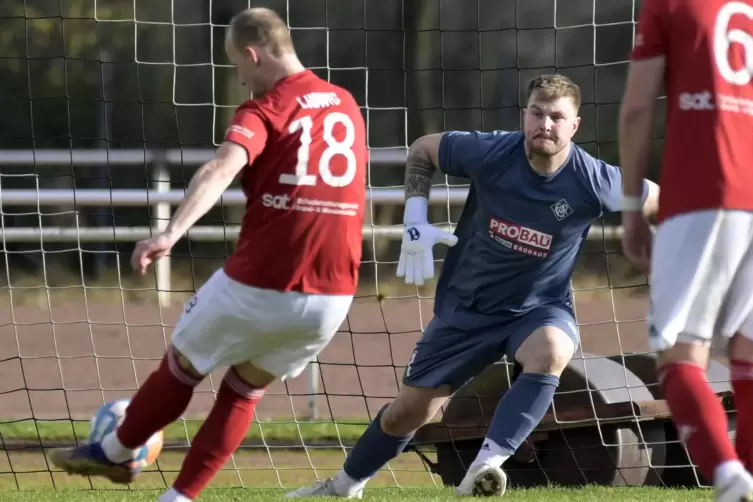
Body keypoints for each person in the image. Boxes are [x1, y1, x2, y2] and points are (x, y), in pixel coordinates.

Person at [286, 74, 660, 499]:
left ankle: (487, 466)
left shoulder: (595, 179)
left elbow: (661, 201)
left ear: (574, 126)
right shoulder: (492, 151)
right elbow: (423, 148)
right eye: (537, 113)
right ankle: (342, 487)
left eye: (557, 117)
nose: (546, 124)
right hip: (467, 307)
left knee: (553, 351)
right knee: (406, 414)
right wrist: (414, 216)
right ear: (525, 115)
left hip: (537, 309)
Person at [48, 7, 368, 502]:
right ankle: (179, 498)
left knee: (182, 365)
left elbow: (221, 169)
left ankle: (112, 452)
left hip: (264, 282)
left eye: (236, 66)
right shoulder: (346, 104)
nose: (239, 79)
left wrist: (169, 233)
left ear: (252, 53)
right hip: (333, 297)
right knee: (244, 390)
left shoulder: (267, 108)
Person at [618, 0, 753, 500]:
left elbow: (636, 110)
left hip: (701, 194)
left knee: (679, 358)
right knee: (747, 359)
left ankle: (726, 473)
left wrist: (632, 208)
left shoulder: (669, 4)